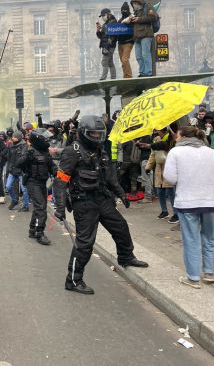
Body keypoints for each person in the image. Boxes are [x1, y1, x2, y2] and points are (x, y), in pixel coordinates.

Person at [53, 116, 148, 294]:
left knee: (121, 227)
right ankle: (73, 279)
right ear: (83, 132)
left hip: (102, 198)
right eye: (93, 134)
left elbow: (110, 177)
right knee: (85, 243)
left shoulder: (100, 149)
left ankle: (126, 257)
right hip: (83, 202)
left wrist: (121, 193)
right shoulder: (72, 151)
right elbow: (61, 181)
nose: (97, 137)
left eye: (99, 134)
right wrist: (59, 207)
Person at [163, 126, 214, 288]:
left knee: (191, 239)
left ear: (183, 136)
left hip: (187, 202)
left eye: (177, 135)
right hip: (211, 201)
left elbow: (170, 178)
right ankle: (209, 271)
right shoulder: (211, 152)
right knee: (210, 237)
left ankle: (193, 277)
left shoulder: (175, 153)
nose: (175, 138)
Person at [17, 128, 57, 245]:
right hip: (32, 182)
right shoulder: (29, 151)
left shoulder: (45, 152)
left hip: (42, 183)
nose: (46, 140)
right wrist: (26, 158)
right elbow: (17, 163)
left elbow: (51, 166)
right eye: (44, 139)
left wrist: (58, 173)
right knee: (41, 208)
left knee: (40, 207)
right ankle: (39, 233)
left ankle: (32, 229)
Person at [145, 130, 176, 222]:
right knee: (160, 192)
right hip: (159, 169)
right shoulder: (156, 140)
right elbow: (153, 155)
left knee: (171, 192)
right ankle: (164, 211)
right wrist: (148, 167)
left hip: (169, 168)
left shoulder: (172, 139)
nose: (158, 132)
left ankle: (176, 213)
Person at [129, 0, 158, 77]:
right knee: (138, 56)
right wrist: (131, 20)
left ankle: (148, 72)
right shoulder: (135, 12)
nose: (134, 5)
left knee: (145, 55)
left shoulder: (148, 7)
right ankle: (142, 72)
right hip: (137, 36)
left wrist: (139, 19)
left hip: (146, 35)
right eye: (133, 4)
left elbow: (153, 17)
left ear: (138, 2)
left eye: (135, 3)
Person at [1, 131, 29, 212]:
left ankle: (26, 206)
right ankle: (14, 200)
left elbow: (24, 158)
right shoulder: (11, 145)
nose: (12, 138)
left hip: (21, 170)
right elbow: (8, 157)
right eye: (13, 137)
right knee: (8, 186)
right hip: (12, 170)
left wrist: (17, 163)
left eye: (14, 137)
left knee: (24, 189)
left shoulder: (24, 146)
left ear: (18, 138)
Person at [96, 8, 118, 80]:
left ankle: (103, 78)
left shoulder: (112, 22)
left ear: (108, 14)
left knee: (104, 62)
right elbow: (101, 37)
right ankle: (113, 78)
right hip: (106, 46)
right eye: (101, 16)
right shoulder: (106, 24)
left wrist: (106, 47)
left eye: (103, 16)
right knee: (110, 62)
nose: (102, 18)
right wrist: (98, 30)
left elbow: (112, 37)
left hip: (109, 46)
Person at [117, 1, 134, 78]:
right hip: (120, 43)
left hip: (128, 42)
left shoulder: (131, 17)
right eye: (122, 10)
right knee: (122, 62)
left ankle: (129, 76)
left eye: (125, 10)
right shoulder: (120, 20)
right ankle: (125, 76)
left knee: (125, 60)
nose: (123, 11)